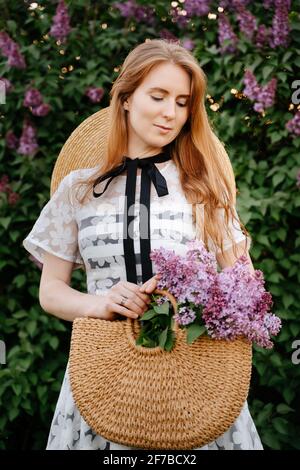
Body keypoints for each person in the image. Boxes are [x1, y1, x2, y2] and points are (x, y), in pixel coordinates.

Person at [23, 38, 263, 450]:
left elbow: (245, 288)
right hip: (100, 379)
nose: (171, 113)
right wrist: (98, 303)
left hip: (195, 384)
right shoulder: (77, 189)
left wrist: (198, 301)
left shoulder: (205, 186)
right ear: (127, 98)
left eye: (183, 102)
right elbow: (51, 292)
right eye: (158, 96)